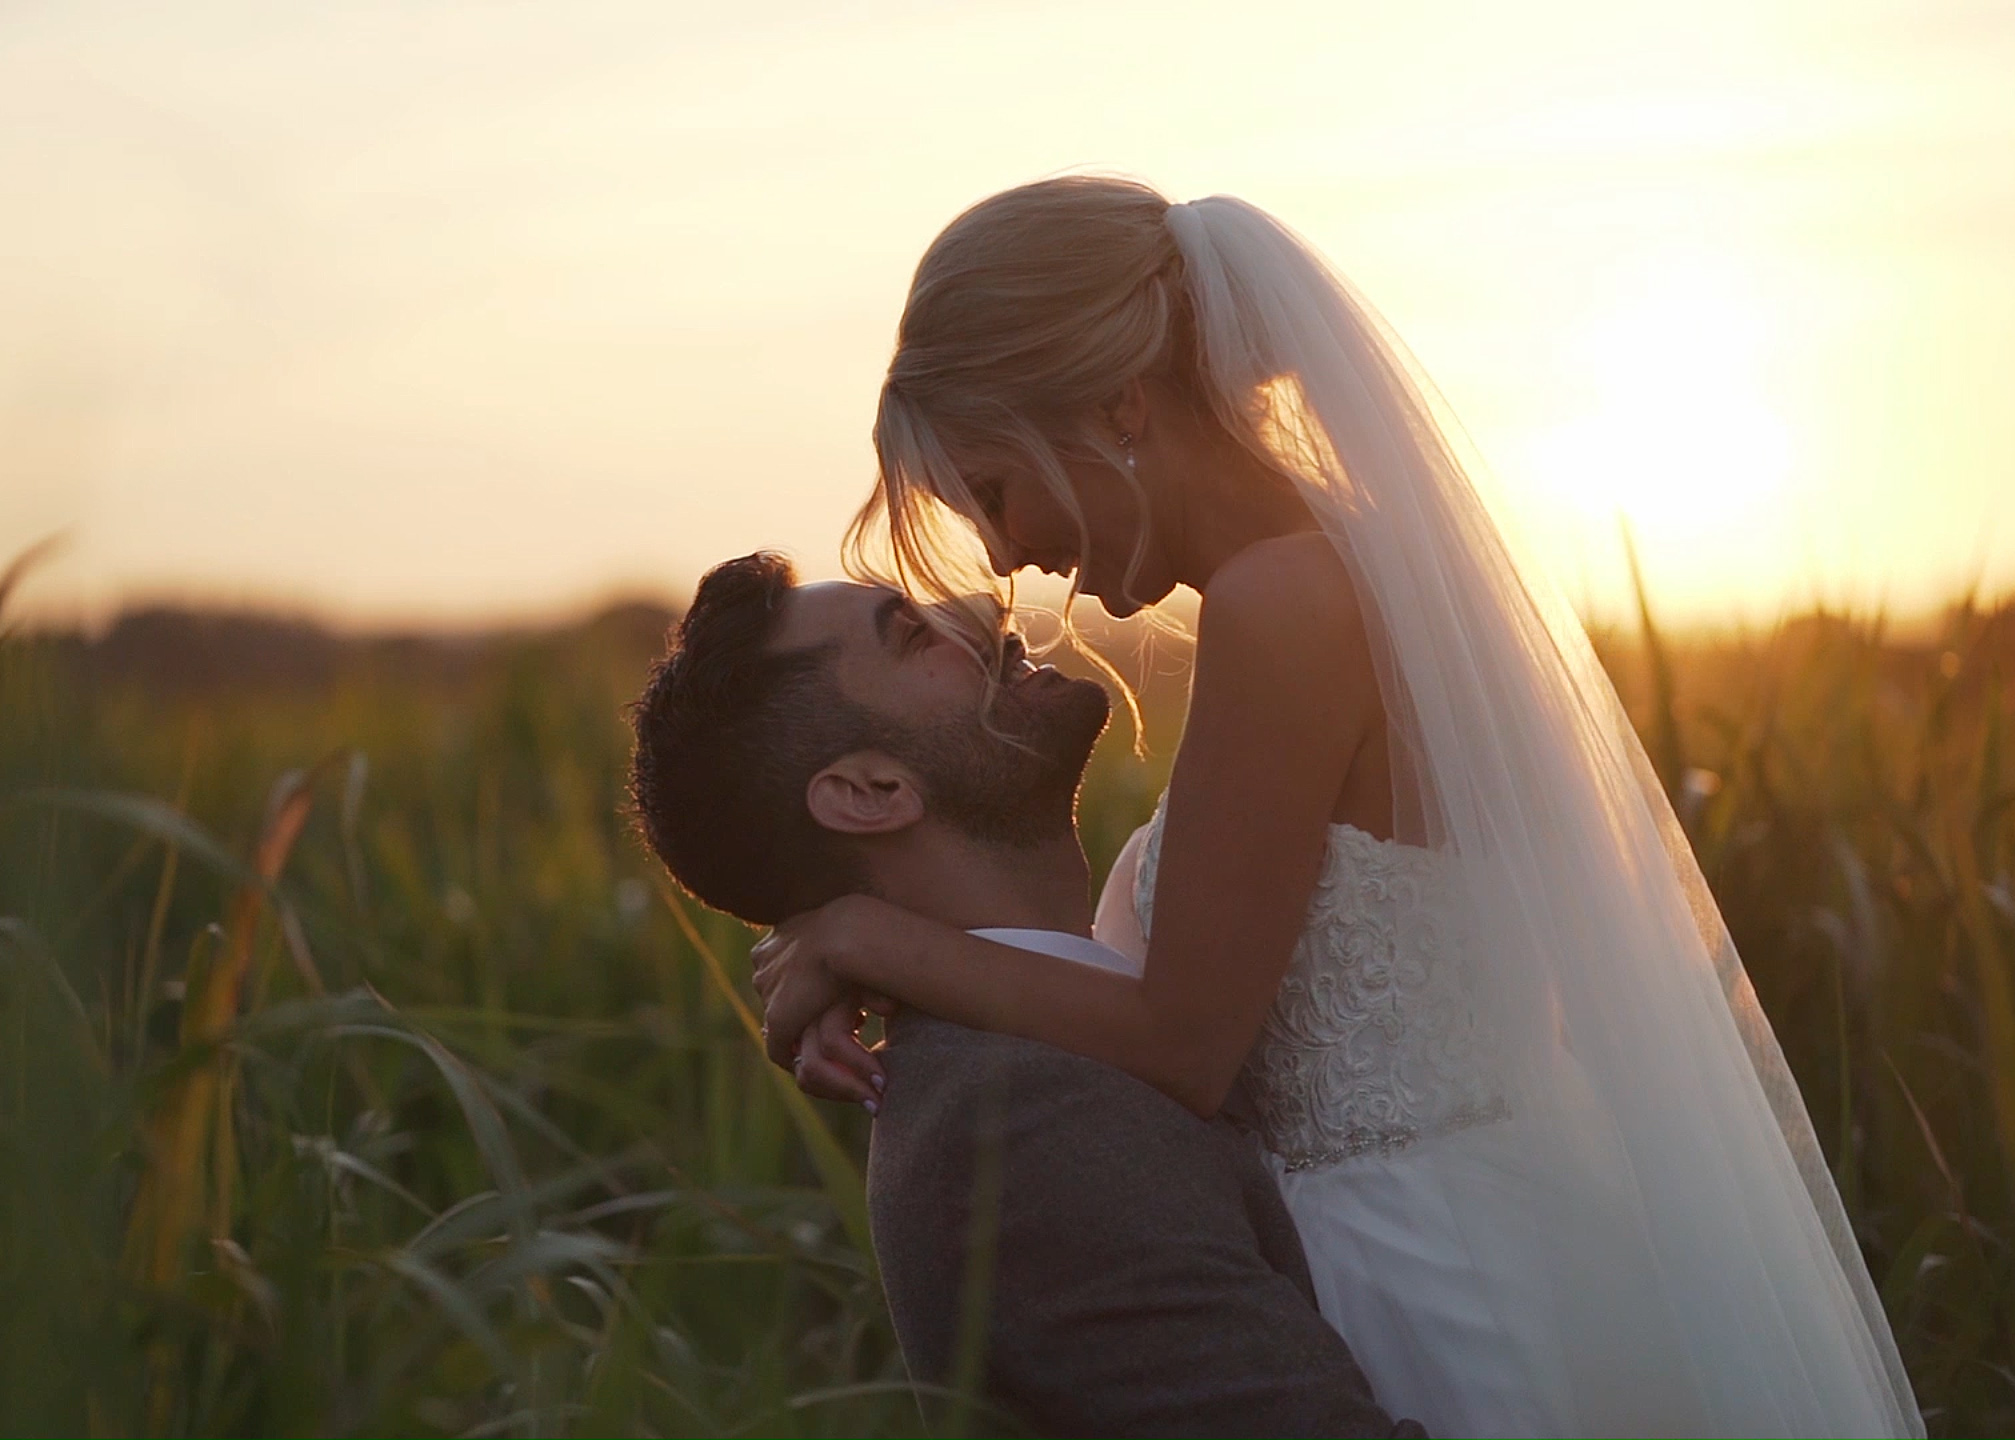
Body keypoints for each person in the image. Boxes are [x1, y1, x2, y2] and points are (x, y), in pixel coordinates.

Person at [750, 177, 1923, 1436]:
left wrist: (876, 939)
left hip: (1432, 1276)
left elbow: (1183, 1042)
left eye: (991, 487)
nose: (1000, 554)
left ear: (1116, 405)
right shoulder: (1343, 571)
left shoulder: (1286, 604)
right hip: (1505, 1226)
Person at [627, 551, 1419, 1437]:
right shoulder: (1016, 1126)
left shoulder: (1147, 961)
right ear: (871, 793)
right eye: (913, 634)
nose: (980, 605)